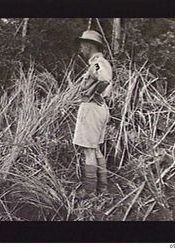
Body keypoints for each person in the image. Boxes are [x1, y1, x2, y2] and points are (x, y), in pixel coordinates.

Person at [73, 30, 113, 198]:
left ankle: (89, 191)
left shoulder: (97, 63)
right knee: (95, 149)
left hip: (92, 108)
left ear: (89, 45)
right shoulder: (103, 62)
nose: (81, 49)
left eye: (82, 45)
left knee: (88, 151)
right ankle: (102, 188)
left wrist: (93, 94)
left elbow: (103, 79)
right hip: (101, 109)